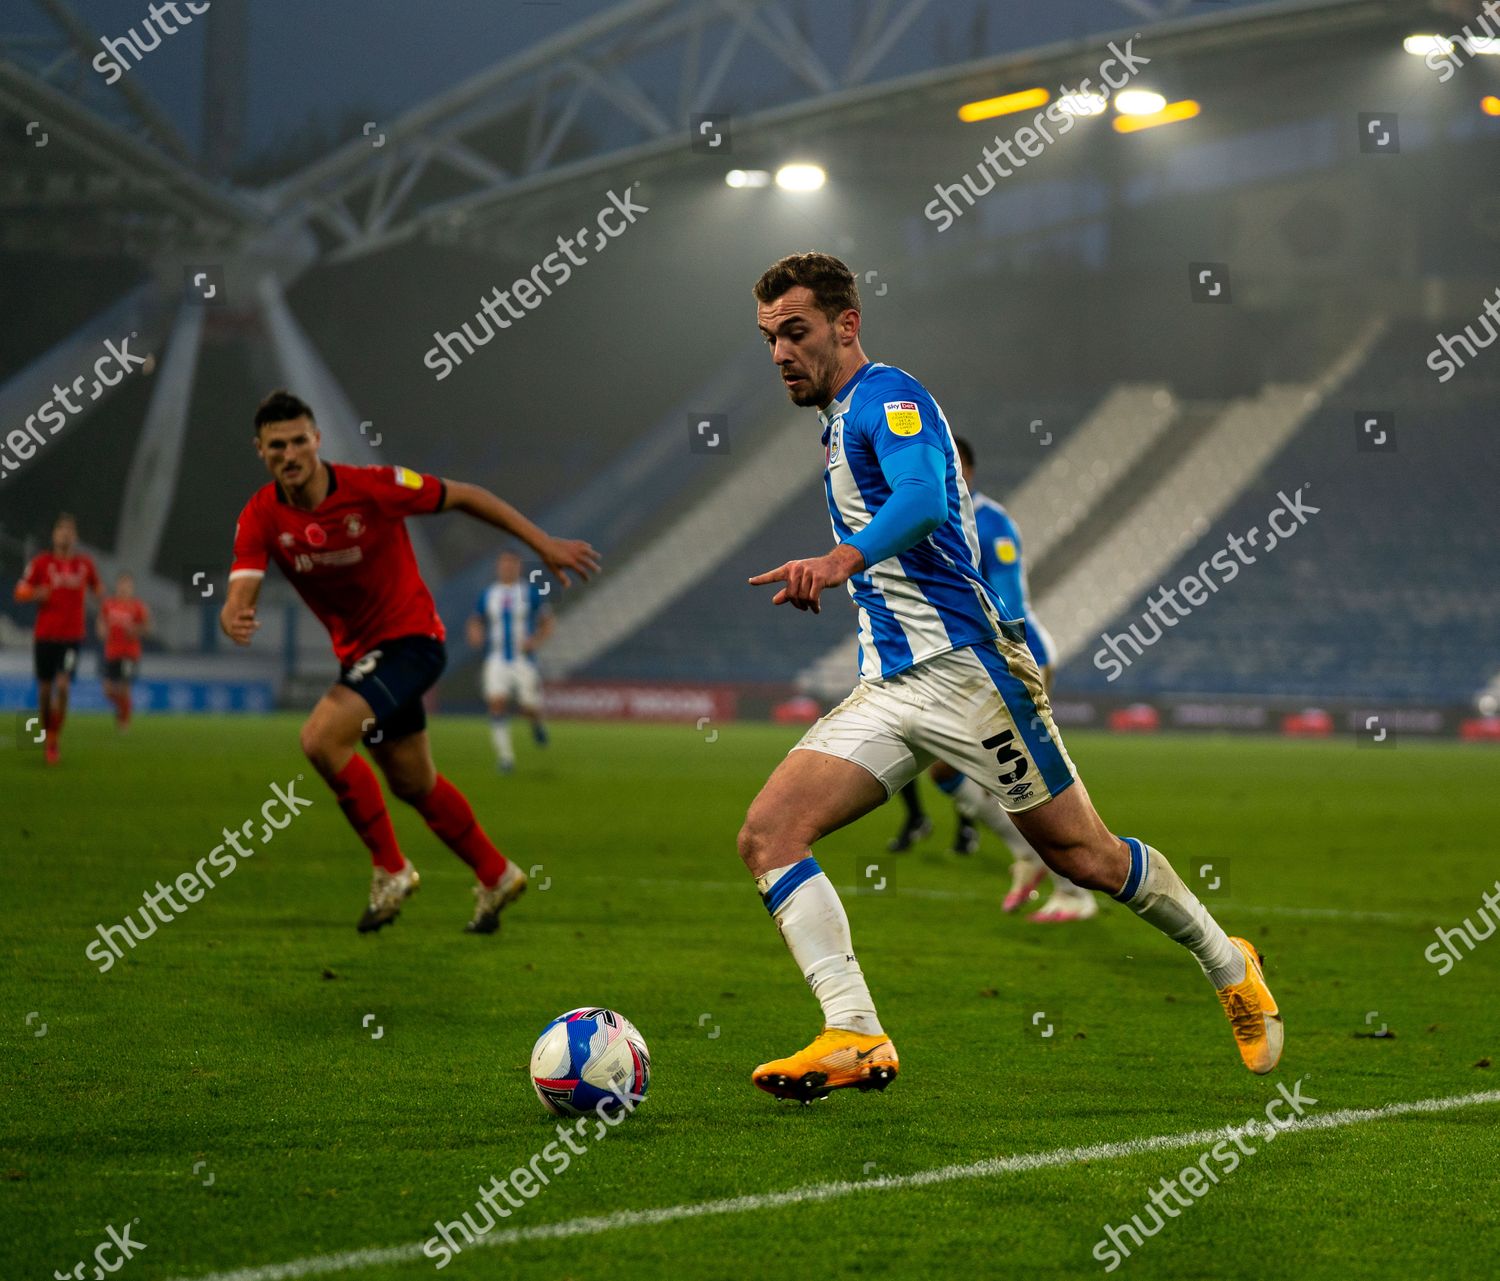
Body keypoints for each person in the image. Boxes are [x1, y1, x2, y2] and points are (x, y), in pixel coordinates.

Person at [740, 253, 1280, 1101]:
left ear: (846, 325)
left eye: (796, 332)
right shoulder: (839, 416)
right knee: (769, 834)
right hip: (891, 688)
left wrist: (843, 558)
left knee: (1086, 856)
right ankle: (853, 1031)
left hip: (970, 677)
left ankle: (1228, 960)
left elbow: (919, 501)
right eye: (770, 336)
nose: (779, 352)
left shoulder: (890, 398)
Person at [220, 390, 599, 934]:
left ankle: (391, 869)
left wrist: (542, 543)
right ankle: (496, 874)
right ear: (261, 451)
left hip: (411, 641)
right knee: (412, 782)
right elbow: (242, 587)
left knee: (321, 739)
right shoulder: (260, 515)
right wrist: (233, 615)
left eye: (300, 440)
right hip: (364, 658)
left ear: (317, 440)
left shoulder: (372, 487)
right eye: (277, 445)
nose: (290, 453)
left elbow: (466, 495)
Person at [922, 436, 1097, 923]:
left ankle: (1075, 893)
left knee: (1029, 781)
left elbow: (1008, 602)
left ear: (966, 473)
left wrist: (1004, 659)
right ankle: (1027, 854)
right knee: (943, 769)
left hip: (1018, 659)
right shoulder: (929, 520)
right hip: (966, 665)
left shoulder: (990, 522)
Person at [13, 513, 100, 765]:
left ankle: (52, 739)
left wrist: (103, 613)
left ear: (75, 537)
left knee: (62, 686)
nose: (65, 534)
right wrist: (34, 592)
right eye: (60, 529)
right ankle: (44, 729)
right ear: (54, 535)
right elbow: (20, 590)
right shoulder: (41, 563)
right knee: (45, 690)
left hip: (72, 637)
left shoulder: (84, 565)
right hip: (45, 636)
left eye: (69, 530)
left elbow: (98, 590)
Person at [466, 550, 553, 773]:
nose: (507, 568)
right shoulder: (489, 594)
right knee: (496, 702)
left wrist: (536, 640)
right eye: (503, 564)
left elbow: (547, 622)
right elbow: (475, 620)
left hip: (523, 660)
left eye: (511, 564)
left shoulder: (530, 593)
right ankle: (506, 758)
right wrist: (475, 633)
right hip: (496, 658)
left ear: (518, 567)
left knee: (528, 707)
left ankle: (537, 724)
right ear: (498, 567)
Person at [98, 573, 150, 733]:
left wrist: (136, 630)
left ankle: (124, 722)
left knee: (124, 687)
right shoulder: (109, 604)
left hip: (129, 653)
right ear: (118, 586)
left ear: (132, 588)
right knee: (107, 690)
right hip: (111, 652)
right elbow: (101, 621)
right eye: (122, 584)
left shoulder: (138, 607)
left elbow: (147, 628)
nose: (124, 588)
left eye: (127, 585)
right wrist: (101, 631)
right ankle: (123, 708)